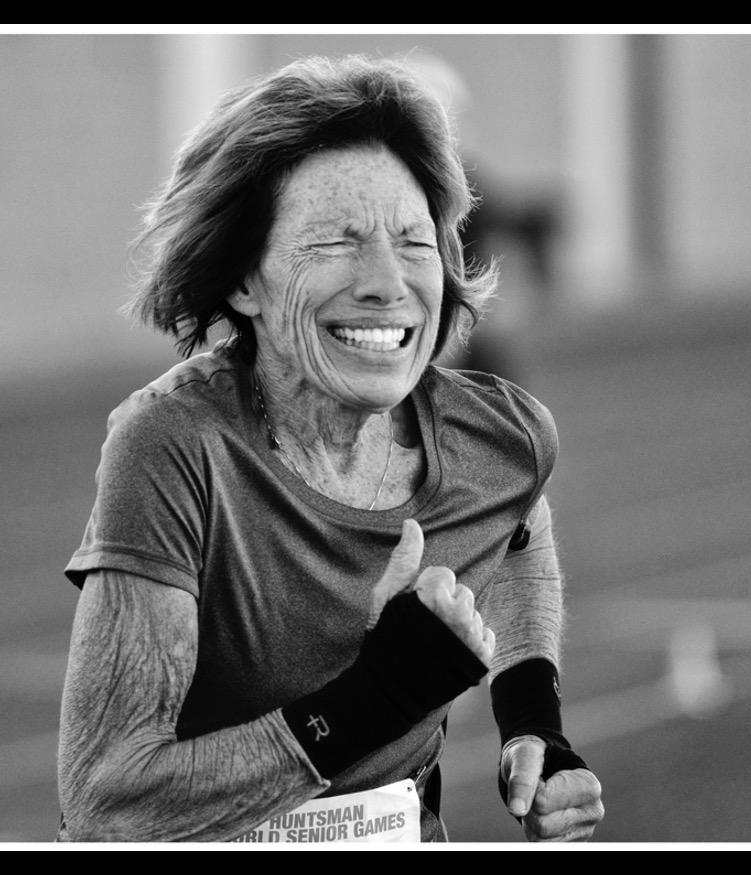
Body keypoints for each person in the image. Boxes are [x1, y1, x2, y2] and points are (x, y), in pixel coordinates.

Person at [57, 55, 604, 843]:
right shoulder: (177, 446)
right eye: (335, 243)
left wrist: (532, 716)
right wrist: (375, 695)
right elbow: (107, 803)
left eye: (414, 242)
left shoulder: (499, 436)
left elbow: (519, 528)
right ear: (245, 279)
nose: (387, 283)